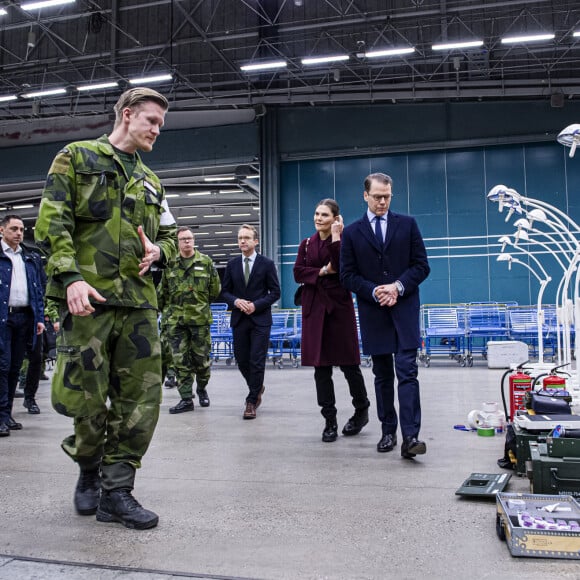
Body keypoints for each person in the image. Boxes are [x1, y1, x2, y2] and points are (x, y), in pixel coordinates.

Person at [34, 87, 177, 529]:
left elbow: (171, 236)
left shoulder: (153, 182)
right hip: (88, 304)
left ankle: (118, 492)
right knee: (87, 401)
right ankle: (88, 470)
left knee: (141, 401)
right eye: (151, 121)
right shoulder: (76, 157)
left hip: (138, 305)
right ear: (128, 114)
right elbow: (52, 220)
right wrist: (70, 277)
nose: (157, 130)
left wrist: (161, 253)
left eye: (160, 125)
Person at [340, 173, 430, 459]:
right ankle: (388, 431)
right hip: (373, 311)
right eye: (377, 196)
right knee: (382, 375)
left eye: (387, 196)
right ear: (365, 195)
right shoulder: (352, 233)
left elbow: (421, 266)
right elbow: (347, 275)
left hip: (404, 310)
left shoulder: (408, 225)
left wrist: (398, 287)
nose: (382, 201)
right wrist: (375, 290)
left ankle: (411, 436)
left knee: (408, 372)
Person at [293, 199, 370, 442]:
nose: (318, 218)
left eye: (324, 215)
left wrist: (337, 237)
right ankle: (330, 420)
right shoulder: (306, 244)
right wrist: (322, 272)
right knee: (321, 368)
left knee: (349, 365)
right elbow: (297, 273)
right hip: (315, 309)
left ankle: (361, 410)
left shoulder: (345, 241)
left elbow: (342, 266)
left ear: (335, 218)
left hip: (339, 309)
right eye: (316, 213)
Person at [158, 227, 221, 413]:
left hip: (199, 321)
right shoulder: (170, 264)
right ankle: (186, 398)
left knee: (201, 362)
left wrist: (198, 305)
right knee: (180, 362)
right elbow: (162, 292)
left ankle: (201, 389)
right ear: (178, 243)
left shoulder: (206, 262)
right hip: (175, 322)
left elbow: (215, 290)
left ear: (194, 241)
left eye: (189, 238)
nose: (187, 242)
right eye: (183, 239)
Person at [221, 224, 281, 419]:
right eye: (240, 238)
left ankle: (251, 400)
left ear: (256, 241)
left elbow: (275, 292)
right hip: (239, 319)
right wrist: (236, 301)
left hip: (260, 319)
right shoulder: (232, 265)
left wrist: (256, 305)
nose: (242, 241)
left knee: (256, 360)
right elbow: (225, 292)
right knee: (241, 358)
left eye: (246, 237)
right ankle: (257, 386)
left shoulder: (267, 264)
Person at [0, 214, 45, 437]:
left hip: (24, 318)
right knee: (3, 366)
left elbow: (38, 291)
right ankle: (0, 416)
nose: (19, 233)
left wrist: (39, 318)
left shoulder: (29, 257)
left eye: (21, 229)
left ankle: (7, 415)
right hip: (3, 319)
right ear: (2, 230)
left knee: (16, 366)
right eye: (14, 229)